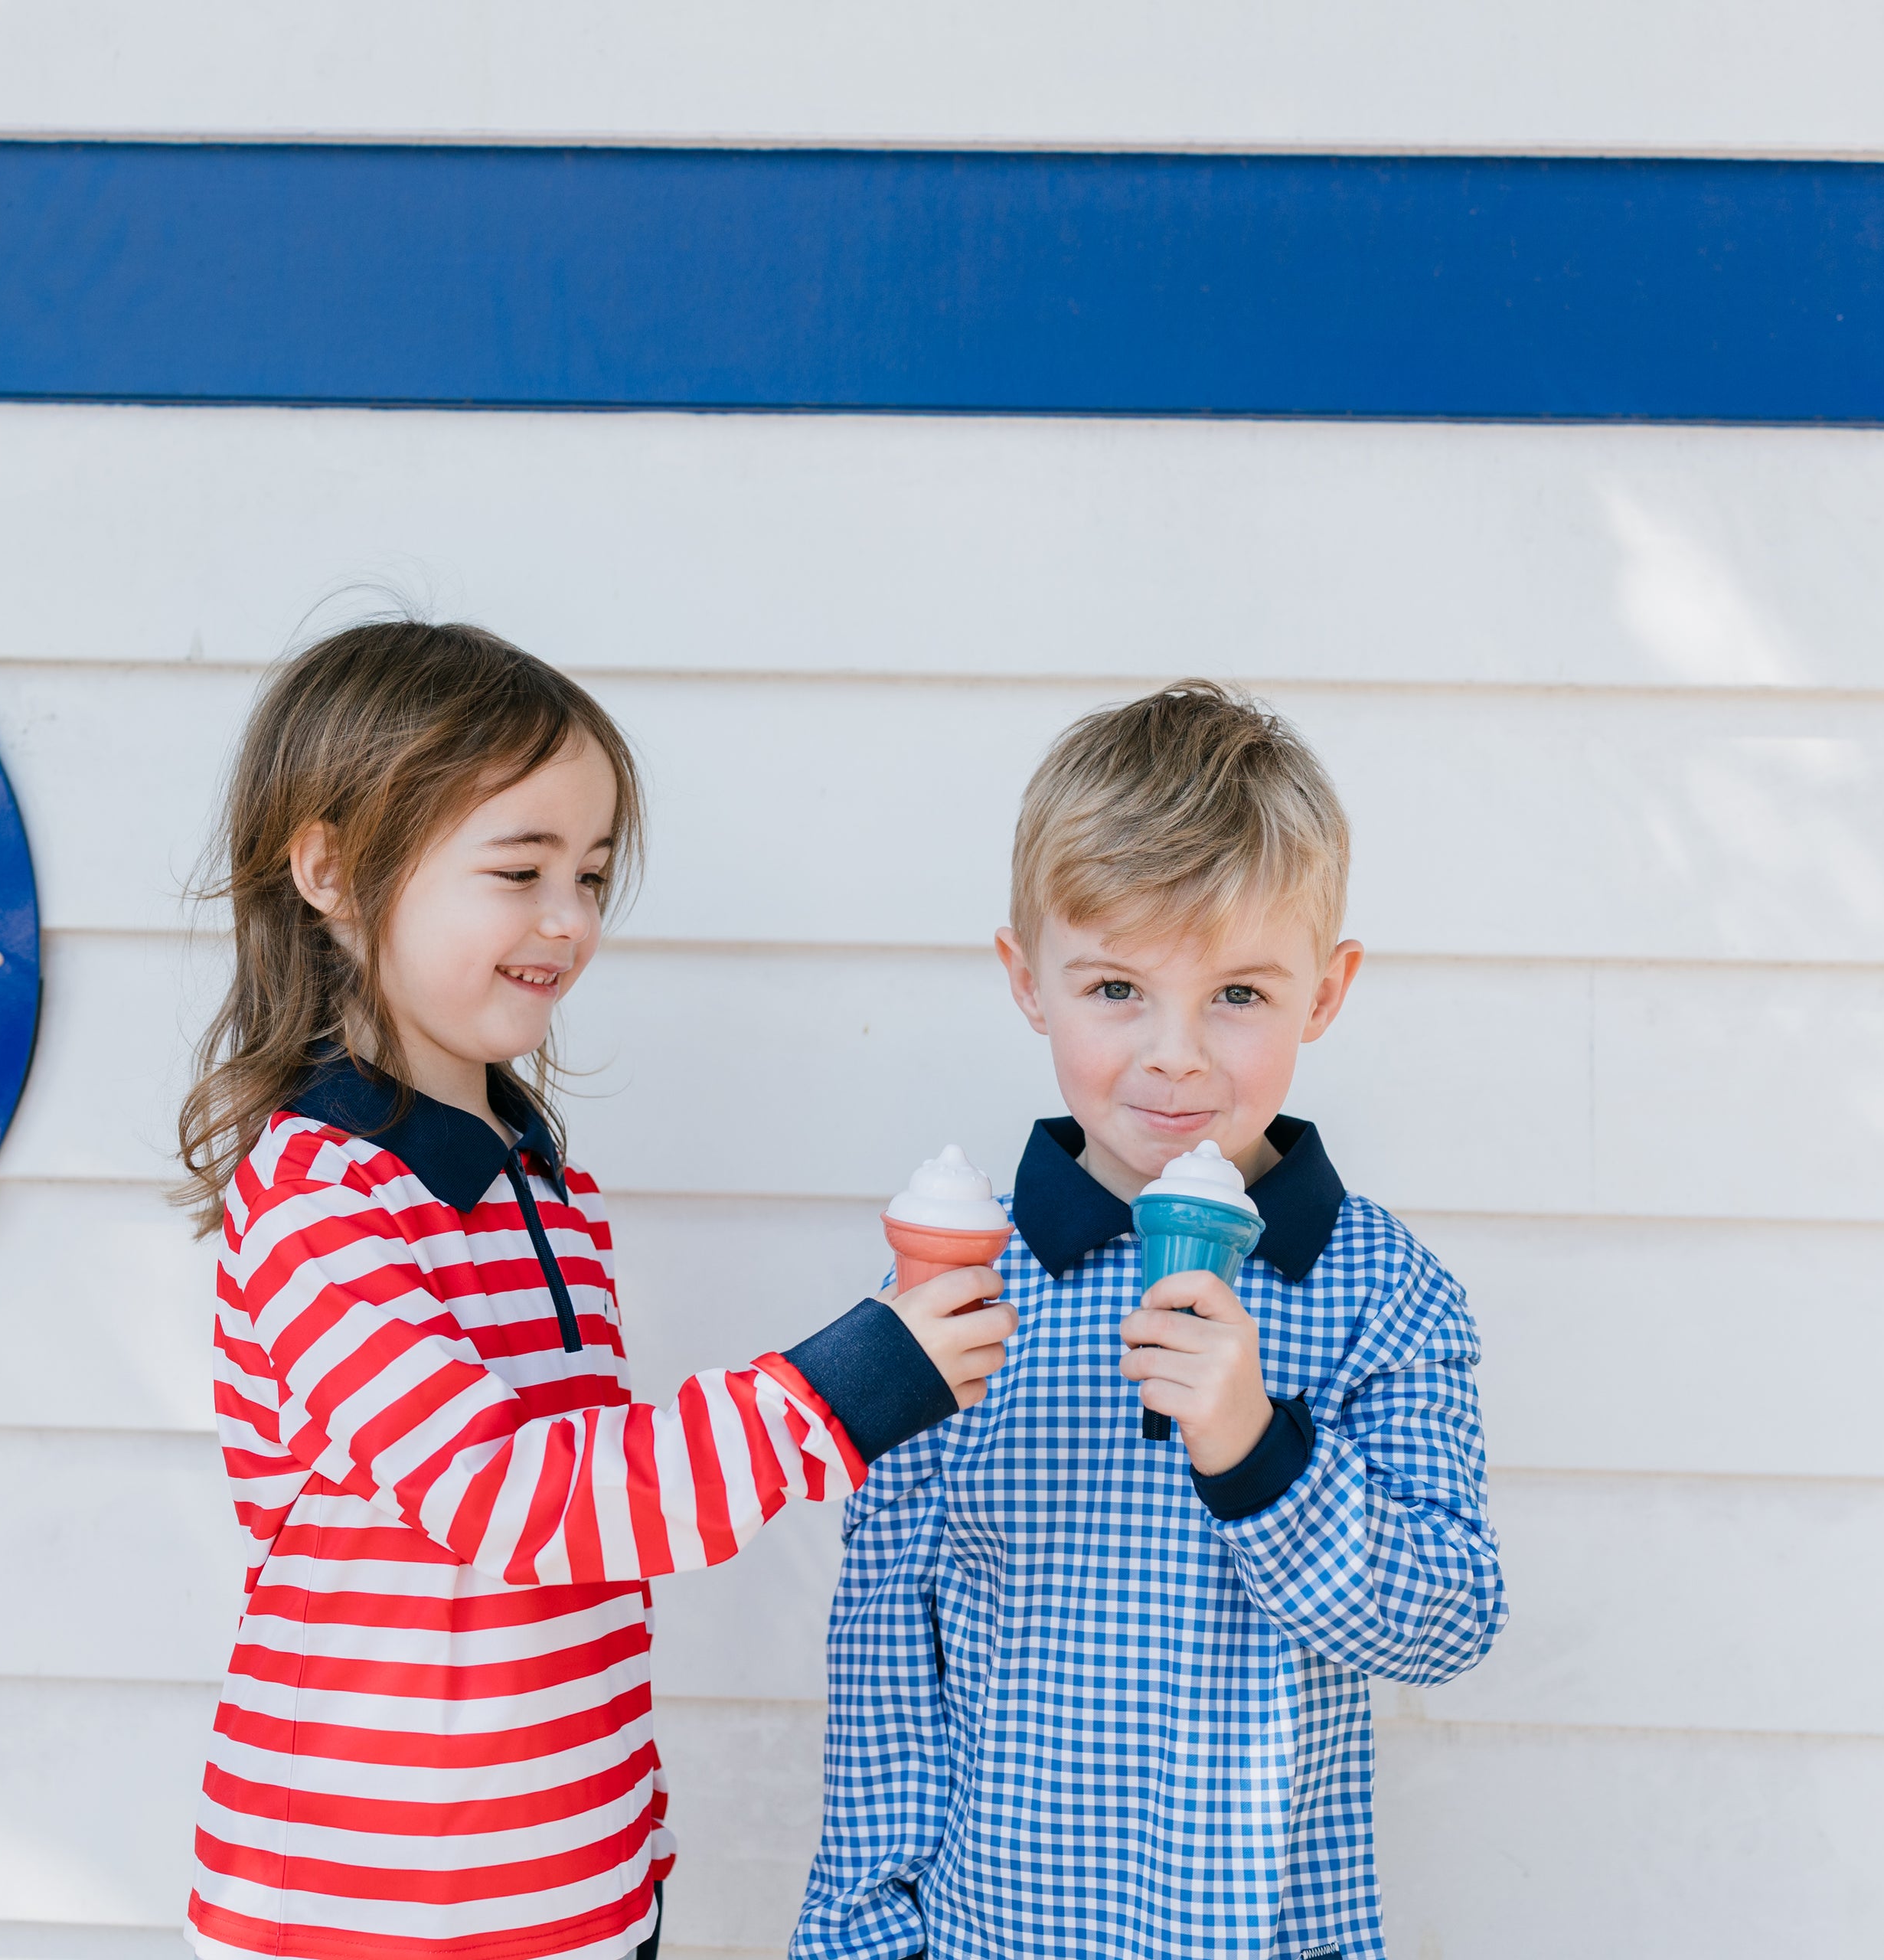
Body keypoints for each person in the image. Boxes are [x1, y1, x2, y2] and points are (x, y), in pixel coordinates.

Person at [174, 622, 1016, 1960]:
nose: (568, 920)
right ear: (330, 868)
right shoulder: (321, 1196)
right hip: (363, 1897)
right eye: (518, 870)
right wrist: (849, 1388)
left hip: (575, 1878)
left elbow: (593, 1557)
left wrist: (629, 1843)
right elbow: (523, 1499)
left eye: (593, 873)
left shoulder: (542, 1188)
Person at [792, 683, 1507, 1960]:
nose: (1176, 1056)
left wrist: (1262, 1454)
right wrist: (858, 1937)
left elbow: (1448, 1620)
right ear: (1027, 981)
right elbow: (889, 1662)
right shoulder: (962, 1286)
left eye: (1239, 994)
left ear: (1326, 995)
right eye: (1117, 987)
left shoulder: (1381, 1290)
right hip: (989, 1935)